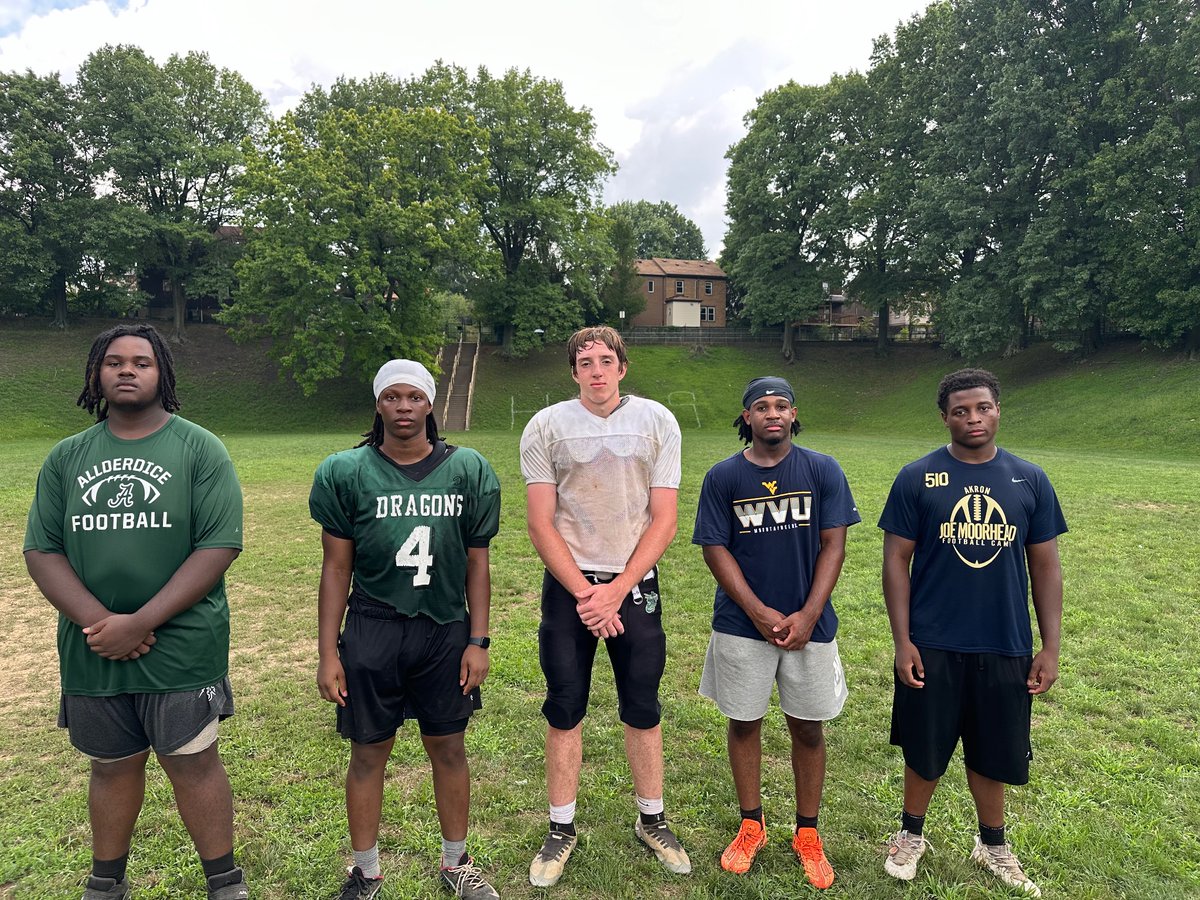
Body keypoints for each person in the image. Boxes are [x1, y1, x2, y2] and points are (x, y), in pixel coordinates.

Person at [23, 324, 248, 900]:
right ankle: (106, 884)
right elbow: (41, 550)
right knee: (111, 766)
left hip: (182, 644)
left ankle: (225, 884)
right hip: (93, 646)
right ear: (96, 373)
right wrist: (104, 624)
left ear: (161, 373)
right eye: (115, 361)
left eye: (142, 362)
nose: (128, 370)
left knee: (193, 762)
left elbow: (218, 544)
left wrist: (142, 621)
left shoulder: (200, 448)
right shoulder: (67, 457)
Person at [310, 360, 502, 900]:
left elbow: (477, 565)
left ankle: (456, 864)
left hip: (444, 630)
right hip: (373, 626)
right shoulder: (347, 471)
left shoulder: (467, 470)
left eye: (413, 397)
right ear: (377, 404)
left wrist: (478, 640)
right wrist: (328, 652)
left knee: (449, 748)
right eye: (391, 397)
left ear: (430, 404)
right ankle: (366, 870)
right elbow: (336, 569)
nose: (403, 407)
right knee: (368, 752)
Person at [878, 368, 1065, 897]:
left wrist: (1050, 646)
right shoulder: (918, 476)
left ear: (998, 409)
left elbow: (1046, 566)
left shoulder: (1029, 479)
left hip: (1004, 641)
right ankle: (910, 835)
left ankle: (993, 844)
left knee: (994, 749)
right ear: (945, 418)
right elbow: (896, 561)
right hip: (933, 641)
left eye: (982, 407)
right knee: (925, 747)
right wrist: (903, 639)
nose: (973, 418)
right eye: (961, 411)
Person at [519, 326, 689, 887]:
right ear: (573, 372)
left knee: (642, 703)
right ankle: (561, 827)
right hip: (570, 589)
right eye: (585, 362)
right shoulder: (545, 426)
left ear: (623, 367)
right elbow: (541, 522)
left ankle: (652, 820)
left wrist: (617, 588)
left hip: (633, 585)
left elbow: (663, 517)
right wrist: (587, 592)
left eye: (606, 360)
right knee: (565, 704)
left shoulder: (659, 420)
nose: (596, 370)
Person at [692, 376, 859, 888]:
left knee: (808, 726)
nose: (771, 414)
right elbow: (715, 549)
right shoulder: (723, 477)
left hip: (811, 625)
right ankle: (751, 824)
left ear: (793, 414)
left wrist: (808, 613)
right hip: (743, 626)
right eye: (761, 407)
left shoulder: (822, 469)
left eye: (781, 406)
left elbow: (834, 544)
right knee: (744, 722)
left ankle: (807, 832)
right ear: (746, 418)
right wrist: (760, 611)